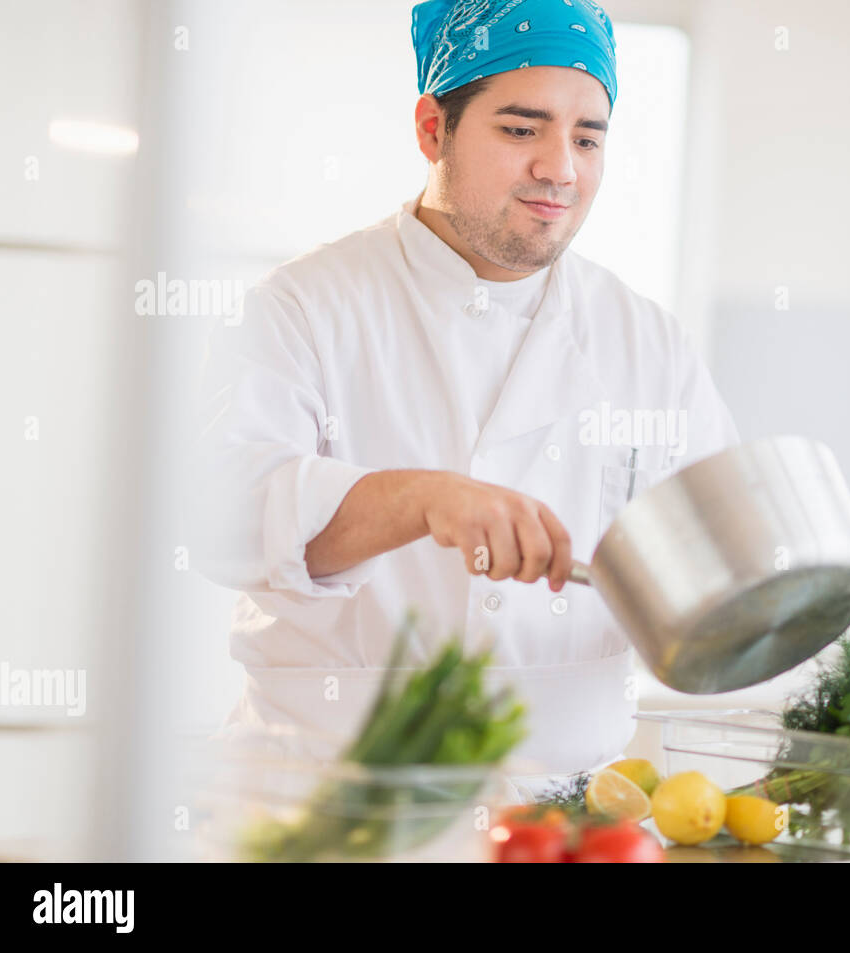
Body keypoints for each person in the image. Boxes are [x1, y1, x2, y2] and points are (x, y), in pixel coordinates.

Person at [188, 0, 739, 779]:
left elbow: (718, 561)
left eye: (588, 136)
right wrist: (423, 498)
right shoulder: (307, 304)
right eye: (522, 129)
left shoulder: (647, 341)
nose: (562, 168)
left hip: (562, 816)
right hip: (325, 801)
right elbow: (219, 517)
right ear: (431, 129)